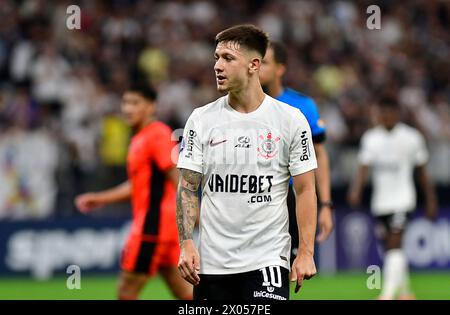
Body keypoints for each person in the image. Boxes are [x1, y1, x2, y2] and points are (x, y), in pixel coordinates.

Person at [176, 24, 318, 300]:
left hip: (267, 260)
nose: (217, 65)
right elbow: (188, 187)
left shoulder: (290, 120)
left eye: (228, 58)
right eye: (216, 57)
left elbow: (305, 190)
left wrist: (305, 252)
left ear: (254, 64)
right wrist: (186, 243)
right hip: (212, 264)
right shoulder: (201, 120)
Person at [74, 82, 192, 300]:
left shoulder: (156, 133)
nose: (128, 109)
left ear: (151, 106)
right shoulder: (140, 138)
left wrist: (194, 211)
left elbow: (176, 175)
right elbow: (139, 185)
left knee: (126, 293)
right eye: (125, 102)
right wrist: (100, 198)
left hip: (152, 228)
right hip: (166, 229)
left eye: (135, 103)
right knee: (186, 295)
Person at [348, 96, 438, 300]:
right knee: (391, 248)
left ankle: (386, 295)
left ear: (397, 114)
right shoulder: (371, 138)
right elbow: (363, 168)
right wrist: (356, 190)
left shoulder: (411, 137)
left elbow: (422, 171)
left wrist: (431, 200)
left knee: (395, 244)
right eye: (383, 112)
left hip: (403, 200)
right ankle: (406, 292)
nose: (386, 116)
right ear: (378, 114)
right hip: (381, 203)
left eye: (390, 112)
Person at [259, 42, 334, 264]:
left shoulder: (301, 106)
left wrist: (327, 205)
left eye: (264, 62)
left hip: (286, 202)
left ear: (280, 69)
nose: (256, 67)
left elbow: (319, 154)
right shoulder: (237, 106)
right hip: (247, 200)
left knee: (282, 271)